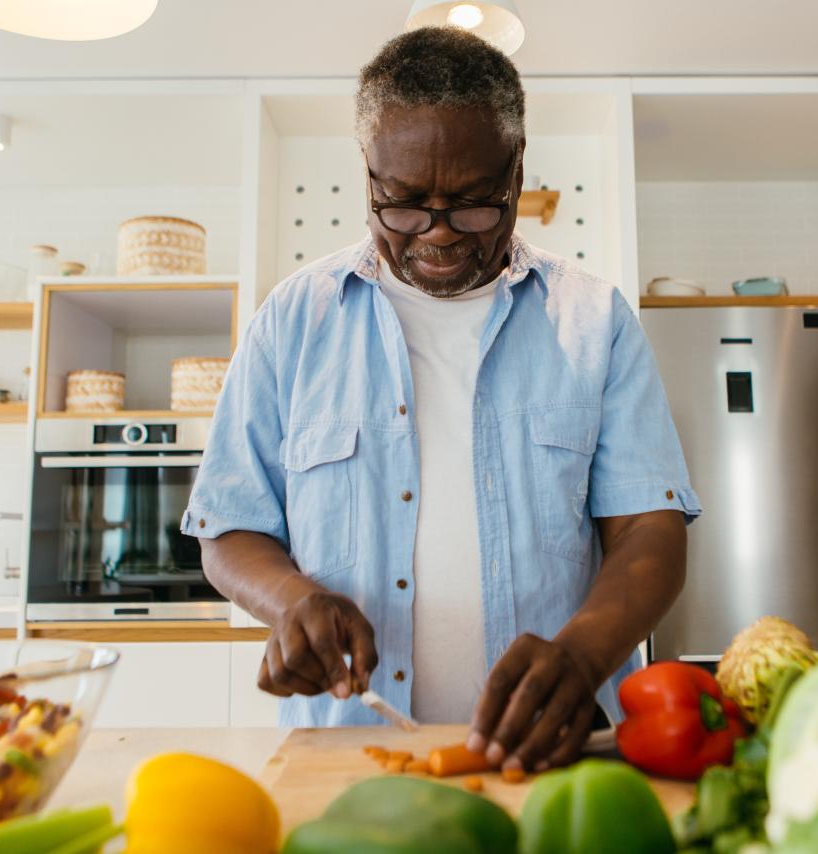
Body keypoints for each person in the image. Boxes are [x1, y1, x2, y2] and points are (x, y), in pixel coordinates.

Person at [184, 26, 700, 774]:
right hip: (348, 751)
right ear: (367, 175)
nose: (437, 236)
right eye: (402, 205)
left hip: (552, 759)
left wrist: (583, 656)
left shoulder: (593, 320)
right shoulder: (293, 319)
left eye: (471, 205)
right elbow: (228, 528)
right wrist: (292, 601)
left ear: (517, 171)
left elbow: (650, 532)